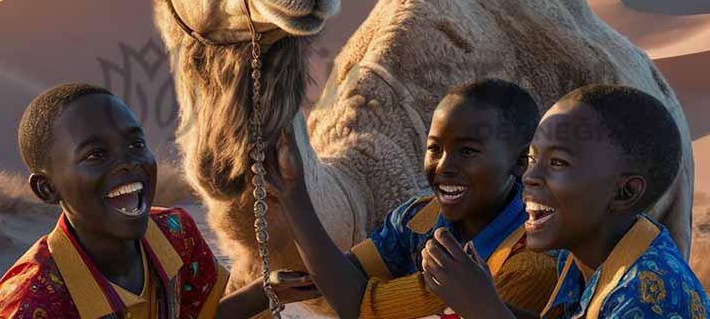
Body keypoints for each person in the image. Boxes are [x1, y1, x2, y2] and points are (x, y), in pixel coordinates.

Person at [0, 83, 316, 319]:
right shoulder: (31, 305)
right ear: (47, 189)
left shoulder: (174, 232)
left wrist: (264, 292)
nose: (128, 163)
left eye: (135, 144)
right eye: (96, 154)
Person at [268, 79, 558, 318]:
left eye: (467, 151)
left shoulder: (532, 261)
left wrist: (295, 195)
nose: (443, 166)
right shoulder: (419, 218)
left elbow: (360, 307)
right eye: (434, 149)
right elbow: (342, 273)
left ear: (522, 161)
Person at [420, 84, 710, 318]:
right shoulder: (588, 257)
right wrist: (479, 296)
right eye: (532, 159)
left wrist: (482, 308)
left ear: (624, 192)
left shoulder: (647, 298)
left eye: (557, 162)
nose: (530, 176)